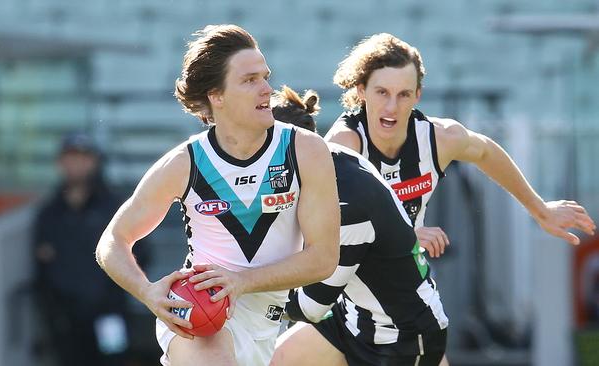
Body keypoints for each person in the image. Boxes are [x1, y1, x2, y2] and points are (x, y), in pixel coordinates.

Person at [95, 25, 340, 366]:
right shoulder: (186, 163)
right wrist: (148, 292)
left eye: (265, 77)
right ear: (216, 95)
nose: (267, 89)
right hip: (200, 316)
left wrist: (241, 282)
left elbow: (324, 258)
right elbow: (113, 241)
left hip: (267, 323)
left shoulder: (306, 149)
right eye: (249, 80)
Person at [324, 33, 595, 261]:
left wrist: (540, 210)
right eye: (382, 92)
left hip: (400, 278)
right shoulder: (344, 144)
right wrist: (404, 234)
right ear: (361, 90)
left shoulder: (441, 138)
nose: (392, 107)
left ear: (417, 95)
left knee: (426, 317)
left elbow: (487, 151)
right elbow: (328, 224)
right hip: (344, 281)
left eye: (404, 94)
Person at [270, 86, 448, 365]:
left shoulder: (347, 208)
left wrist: (243, 294)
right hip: (352, 315)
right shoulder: (334, 155)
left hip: (401, 338)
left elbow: (311, 307)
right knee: (278, 359)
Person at [32, 132, 128, 366]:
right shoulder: (49, 212)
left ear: (95, 161)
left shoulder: (115, 207)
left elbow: (140, 254)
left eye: (83, 157)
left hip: (109, 314)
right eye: (70, 157)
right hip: (65, 320)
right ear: (60, 163)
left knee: (113, 360)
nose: (76, 164)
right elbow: (41, 263)